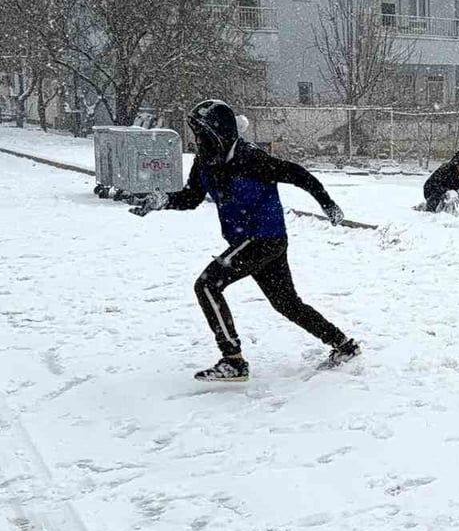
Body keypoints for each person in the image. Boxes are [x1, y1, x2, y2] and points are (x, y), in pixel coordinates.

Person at [130, 99, 361, 381]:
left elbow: (298, 174)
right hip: (252, 242)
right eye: (197, 135)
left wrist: (327, 203)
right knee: (287, 303)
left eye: (204, 135)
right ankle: (343, 345)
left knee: (207, 285)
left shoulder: (253, 159)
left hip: (265, 238)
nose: (199, 141)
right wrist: (162, 200)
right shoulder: (204, 162)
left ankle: (233, 360)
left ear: (221, 134)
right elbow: (191, 197)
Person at [420, 150, 459, 214]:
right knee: (435, 204)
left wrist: (456, 192)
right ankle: (429, 210)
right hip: (431, 190)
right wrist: (446, 191)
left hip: (448, 192)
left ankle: (447, 212)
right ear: (456, 164)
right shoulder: (445, 169)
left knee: (450, 201)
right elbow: (434, 183)